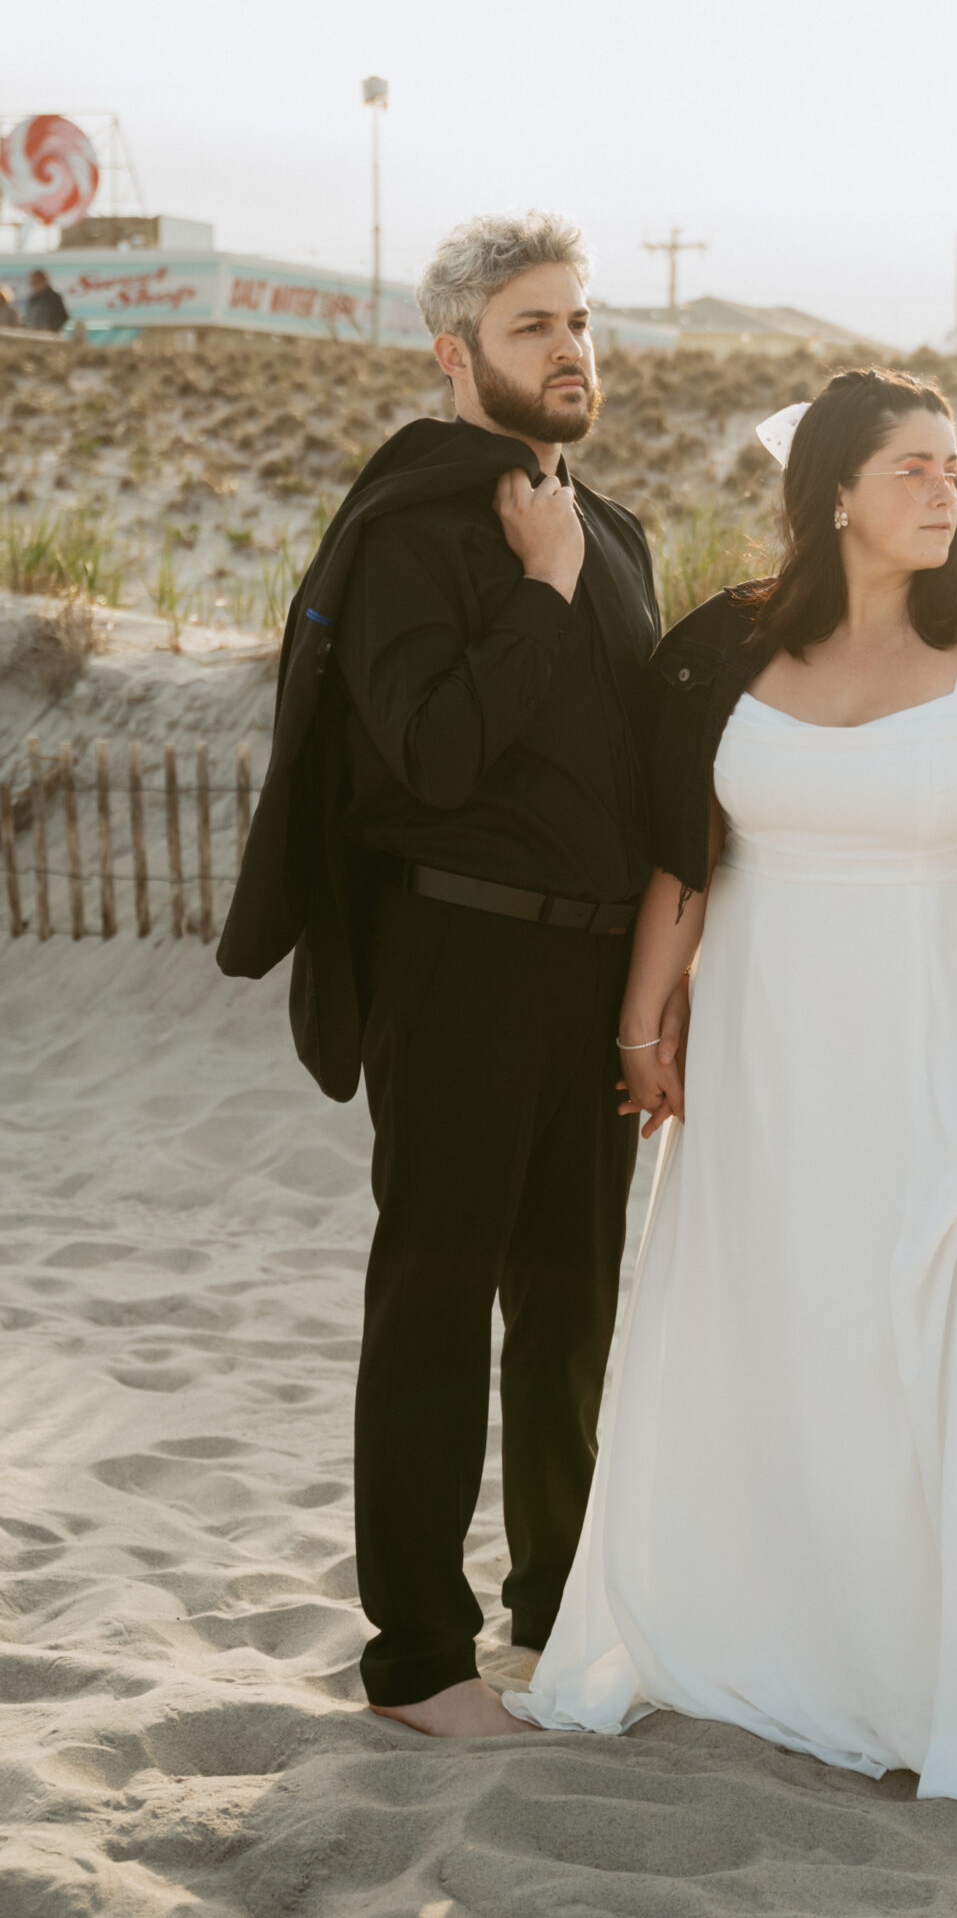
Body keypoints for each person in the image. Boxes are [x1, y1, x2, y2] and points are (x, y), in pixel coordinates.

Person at [509, 368, 957, 1807]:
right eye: (914, 466)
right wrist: (640, 1028)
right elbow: (686, 857)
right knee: (767, 1323)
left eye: (955, 465)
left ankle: (937, 1667)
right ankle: (768, 1638)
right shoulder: (721, 655)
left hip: (939, 1041)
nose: (946, 488)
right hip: (762, 1052)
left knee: (931, 1337)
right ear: (836, 496)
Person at [218, 210, 670, 1739]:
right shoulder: (409, 528)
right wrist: (535, 591)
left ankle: (557, 1615)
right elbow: (436, 749)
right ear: (454, 351)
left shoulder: (611, 529)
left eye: (580, 322)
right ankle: (418, 1656)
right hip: (456, 955)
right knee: (435, 1299)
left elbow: (637, 764)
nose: (570, 350)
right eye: (534, 325)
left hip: (594, 972)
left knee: (571, 1309)